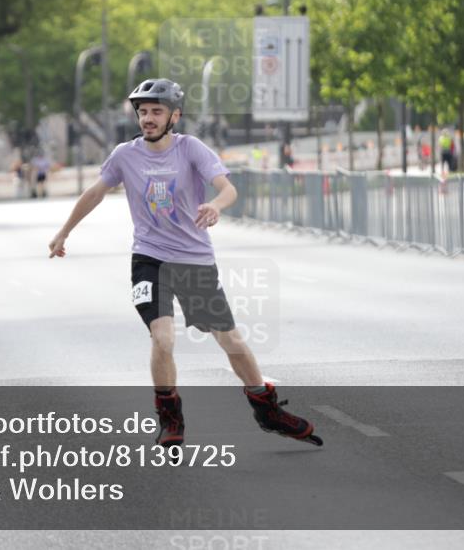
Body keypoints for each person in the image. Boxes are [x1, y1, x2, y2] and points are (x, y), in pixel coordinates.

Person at [48, 78, 322, 449]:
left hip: (194, 261)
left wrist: (215, 206)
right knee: (162, 337)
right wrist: (65, 232)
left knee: (230, 340)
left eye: (156, 112)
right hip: (149, 258)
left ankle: (265, 407)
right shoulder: (124, 155)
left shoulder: (190, 149)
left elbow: (227, 188)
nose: (148, 118)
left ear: (174, 115)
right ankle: (170, 417)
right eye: (143, 112)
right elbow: (96, 192)